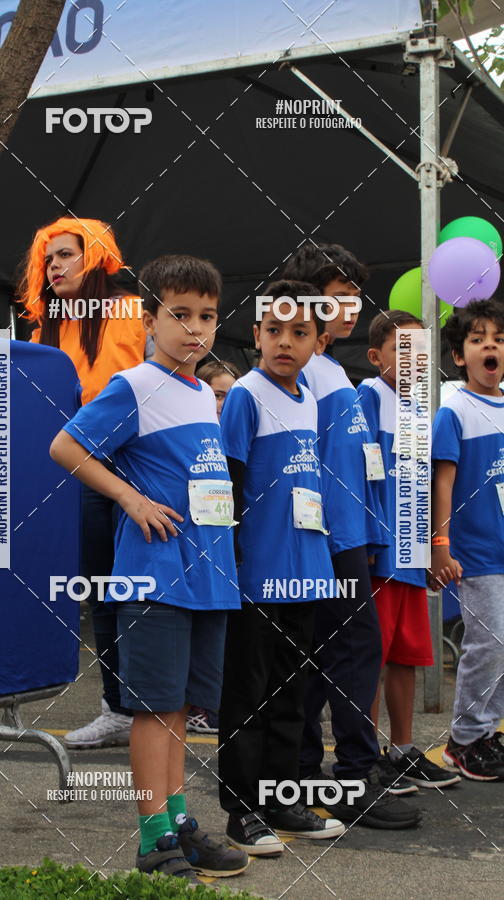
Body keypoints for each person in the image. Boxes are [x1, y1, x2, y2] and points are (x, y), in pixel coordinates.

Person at [49, 254, 249, 882]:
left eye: (208, 317)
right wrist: (131, 500)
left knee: (180, 711)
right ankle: (152, 839)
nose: (195, 329)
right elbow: (65, 446)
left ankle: (180, 823)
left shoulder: (201, 392)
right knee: (152, 709)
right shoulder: (136, 386)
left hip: (208, 579)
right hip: (157, 577)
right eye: (181, 315)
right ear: (149, 319)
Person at [282, 242, 421, 827]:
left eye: (355, 297)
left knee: (333, 658)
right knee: (349, 653)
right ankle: (348, 777)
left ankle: (314, 775)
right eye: (340, 297)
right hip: (328, 540)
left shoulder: (331, 367)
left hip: (350, 538)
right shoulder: (303, 368)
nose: (351, 306)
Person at [218, 280, 345, 856]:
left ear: (319, 342)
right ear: (256, 336)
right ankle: (241, 810)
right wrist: (232, 562)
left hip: (305, 571)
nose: (285, 343)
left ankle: (281, 799)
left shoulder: (310, 401)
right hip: (258, 574)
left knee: (291, 692)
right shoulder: (245, 395)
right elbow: (229, 484)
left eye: (299, 333)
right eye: (274, 331)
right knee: (248, 692)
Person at [18, 217, 145, 749]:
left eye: (66, 255)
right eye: (49, 259)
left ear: (93, 259)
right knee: (95, 590)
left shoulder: (133, 312)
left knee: (128, 590)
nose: (54, 267)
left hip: (127, 470)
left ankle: (141, 706)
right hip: (61, 474)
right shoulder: (41, 329)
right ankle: (118, 706)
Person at [359, 309, 460, 790]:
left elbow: (424, 488)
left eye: (422, 352)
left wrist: (434, 547)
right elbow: (359, 475)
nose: (414, 361)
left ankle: (401, 749)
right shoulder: (366, 397)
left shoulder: (423, 413)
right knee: (370, 657)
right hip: (379, 555)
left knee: (405, 656)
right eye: (403, 350)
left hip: (412, 556)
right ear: (376, 356)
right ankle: (364, 751)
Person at [431, 299, 504, 781]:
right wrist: (440, 542)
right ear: (460, 356)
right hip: (477, 553)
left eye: (497, 339)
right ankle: (463, 739)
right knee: (488, 644)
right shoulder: (454, 409)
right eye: (478, 340)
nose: (490, 346)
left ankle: (486, 730)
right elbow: (443, 479)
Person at [186, 358, 240, 735]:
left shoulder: (235, 439)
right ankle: (196, 708)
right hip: (191, 547)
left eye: (230, 397)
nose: (223, 404)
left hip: (227, 547)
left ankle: (211, 703)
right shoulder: (193, 434)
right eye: (218, 394)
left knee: (221, 636)